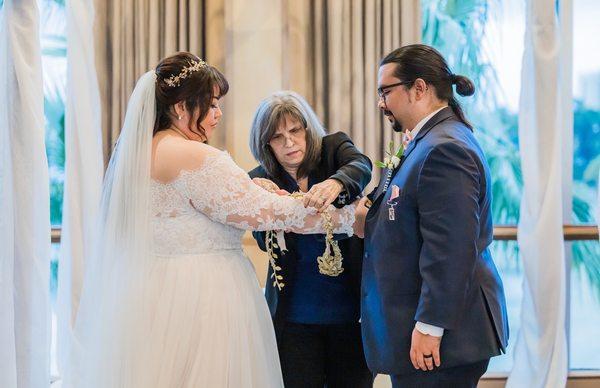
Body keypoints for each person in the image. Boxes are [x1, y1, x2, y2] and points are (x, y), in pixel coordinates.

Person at [65, 52, 356, 388]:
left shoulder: (138, 153)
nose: (218, 114)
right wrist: (351, 216)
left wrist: (254, 187)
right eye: (212, 104)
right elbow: (272, 213)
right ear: (180, 108)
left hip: (151, 291)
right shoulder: (195, 156)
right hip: (203, 297)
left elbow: (205, 204)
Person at [354, 44, 509, 387]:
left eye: (386, 91)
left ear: (419, 88)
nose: (381, 103)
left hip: (441, 340)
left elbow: (451, 248)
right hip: (427, 335)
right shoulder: (429, 140)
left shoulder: (445, 148)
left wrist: (429, 326)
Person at [248, 91, 374, 388]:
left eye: (295, 130)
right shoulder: (260, 179)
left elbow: (362, 165)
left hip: (351, 318)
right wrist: (271, 205)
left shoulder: (333, 149)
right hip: (294, 321)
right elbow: (263, 240)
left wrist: (336, 182)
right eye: (277, 137)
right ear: (266, 143)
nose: (289, 142)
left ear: (307, 129)